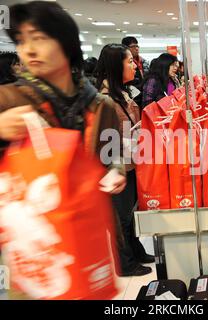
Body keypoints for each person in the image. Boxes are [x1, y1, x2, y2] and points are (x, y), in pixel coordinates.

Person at [0, 1, 127, 298]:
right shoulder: (9, 100)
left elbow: (115, 153)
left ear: (66, 43)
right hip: (32, 246)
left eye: (39, 38)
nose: (28, 50)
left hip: (87, 232)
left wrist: (116, 171)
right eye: (21, 41)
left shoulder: (99, 104)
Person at [95, 43, 154, 277]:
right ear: (115, 66)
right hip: (116, 167)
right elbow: (104, 142)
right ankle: (124, 263)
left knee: (130, 212)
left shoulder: (125, 92)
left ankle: (136, 251)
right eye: (129, 61)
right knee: (119, 218)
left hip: (131, 162)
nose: (134, 65)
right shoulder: (105, 99)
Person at [121, 36, 149, 106]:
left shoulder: (144, 62)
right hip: (132, 95)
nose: (136, 48)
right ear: (125, 48)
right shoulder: (123, 63)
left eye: (137, 46)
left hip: (144, 95)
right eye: (133, 46)